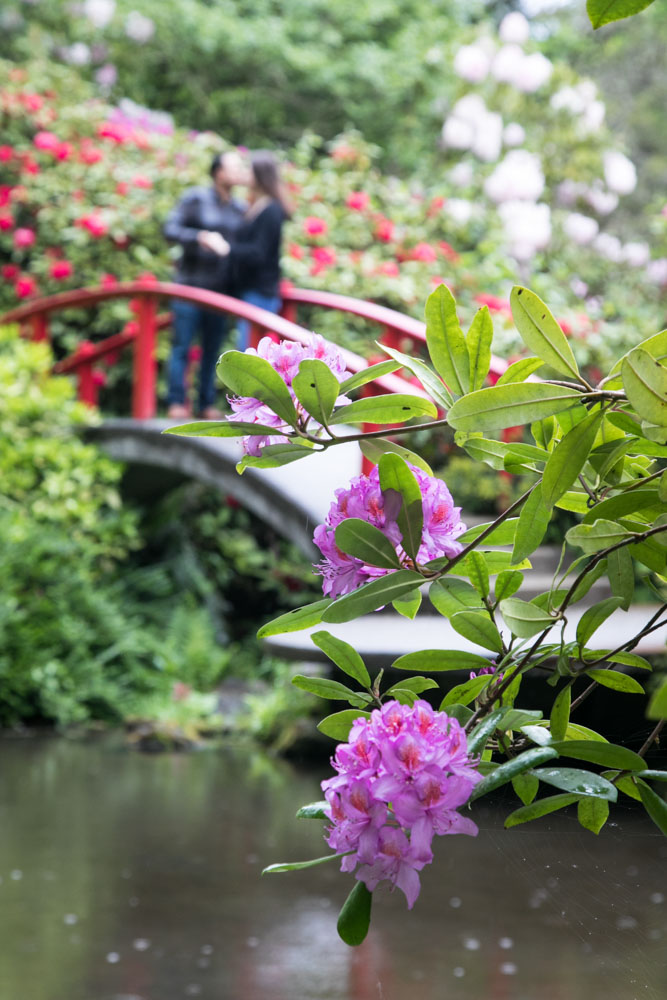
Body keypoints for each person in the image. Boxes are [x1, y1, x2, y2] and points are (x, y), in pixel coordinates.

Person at [163, 151, 245, 420]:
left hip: (220, 291)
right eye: (233, 167)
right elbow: (169, 229)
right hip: (189, 287)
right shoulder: (195, 198)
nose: (238, 172)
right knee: (182, 347)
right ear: (218, 172)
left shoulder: (240, 209)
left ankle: (205, 403)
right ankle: (176, 402)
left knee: (213, 350)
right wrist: (199, 236)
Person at [219, 151, 292, 351]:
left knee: (251, 354)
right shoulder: (255, 206)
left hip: (260, 292)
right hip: (250, 290)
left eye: (248, 169)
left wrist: (227, 249)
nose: (244, 173)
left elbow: (259, 253)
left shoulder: (271, 210)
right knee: (247, 349)